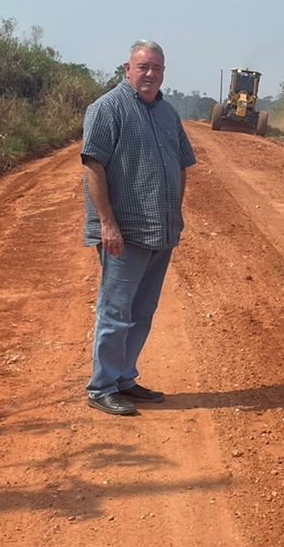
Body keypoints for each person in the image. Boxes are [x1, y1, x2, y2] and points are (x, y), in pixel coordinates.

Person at [80, 40, 197, 416]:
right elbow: (93, 165)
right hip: (124, 233)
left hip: (160, 230)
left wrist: (174, 212)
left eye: (157, 68)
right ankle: (102, 387)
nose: (150, 74)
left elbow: (181, 163)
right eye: (143, 66)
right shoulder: (107, 108)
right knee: (116, 312)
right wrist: (107, 224)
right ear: (127, 69)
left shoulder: (167, 113)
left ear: (164, 73)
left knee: (143, 310)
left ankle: (123, 378)